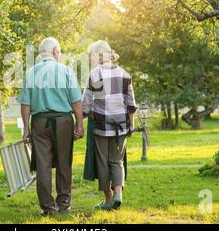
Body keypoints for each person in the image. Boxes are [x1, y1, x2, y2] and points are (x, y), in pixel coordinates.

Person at [17, 37, 84, 216]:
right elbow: (76, 101)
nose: (60, 54)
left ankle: (48, 208)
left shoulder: (31, 72)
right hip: (63, 121)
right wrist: (80, 124)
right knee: (64, 162)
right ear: (55, 51)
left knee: (43, 165)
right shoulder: (66, 71)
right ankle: (63, 204)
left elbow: (25, 104)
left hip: (39, 122)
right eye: (60, 51)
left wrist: (26, 128)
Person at [82, 40, 137, 210]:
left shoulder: (94, 74)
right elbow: (131, 104)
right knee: (117, 160)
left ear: (99, 55)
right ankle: (118, 194)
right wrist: (131, 125)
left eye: (92, 55)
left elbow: (86, 103)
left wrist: (79, 120)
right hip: (121, 125)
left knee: (102, 162)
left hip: (101, 127)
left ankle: (108, 199)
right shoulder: (124, 74)